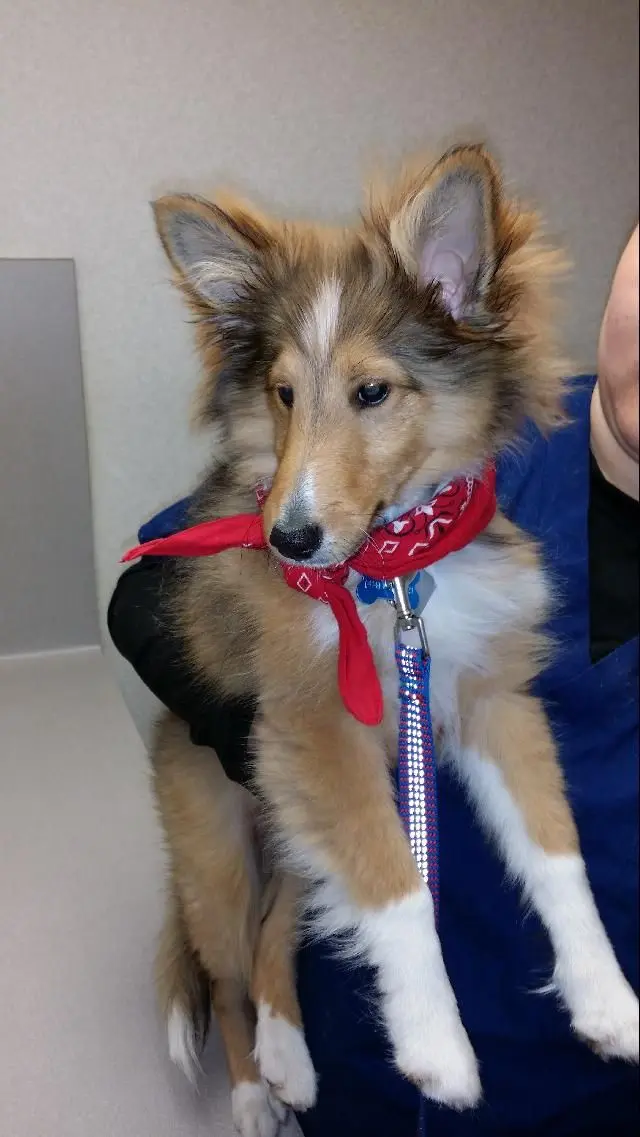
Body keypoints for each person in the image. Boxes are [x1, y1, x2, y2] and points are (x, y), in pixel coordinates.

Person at [109, 225, 639, 1136]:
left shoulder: (460, 454)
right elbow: (150, 588)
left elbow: (497, 716)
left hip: (589, 1100)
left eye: (370, 394)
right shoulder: (507, 449)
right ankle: (247, 1016)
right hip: (369, 1072)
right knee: (234, 891)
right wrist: (300, 729)